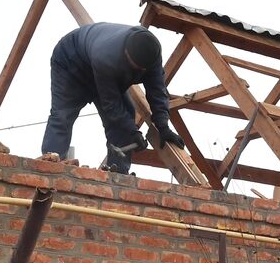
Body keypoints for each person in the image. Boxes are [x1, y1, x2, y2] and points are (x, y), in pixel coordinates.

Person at [41, 23, 185, 172]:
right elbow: (111, 104)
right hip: (71, 62)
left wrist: (163, 126)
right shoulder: (106, 55)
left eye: (143, 70)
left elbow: (158, 91)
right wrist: (133, 132)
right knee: (62, 115)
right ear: (126, 53)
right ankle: (51, 165)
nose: (140, 71)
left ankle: (118, 173)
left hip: (104, 70)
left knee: (126, 117)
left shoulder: (152, 55)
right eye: (135, 67)